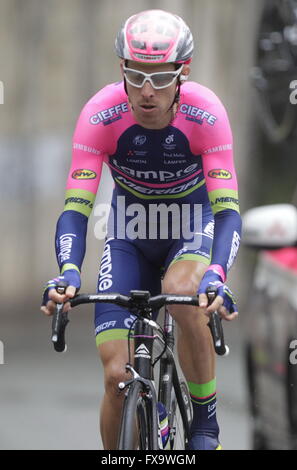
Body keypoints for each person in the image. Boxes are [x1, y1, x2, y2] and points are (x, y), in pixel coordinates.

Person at [41, 9, 241, 450]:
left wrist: (217, 275)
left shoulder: (206, 114)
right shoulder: (101, 114)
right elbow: (76, 208)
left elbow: (228, 212)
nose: (147, 92)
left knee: (183, 290)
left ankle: (205, 426)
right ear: (122, 71)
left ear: (182, 73)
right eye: (136, 76)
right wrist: (69, 271)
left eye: (161, 78)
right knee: (116, 376)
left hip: (190, 227)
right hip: (129, 234)